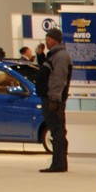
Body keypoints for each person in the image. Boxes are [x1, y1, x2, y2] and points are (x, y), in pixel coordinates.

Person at [39, 27, 72, 173]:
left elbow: (58, 79)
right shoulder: (53, 55)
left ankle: (59, 164)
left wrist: (54, 98)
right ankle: (58, 163)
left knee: (57, 131)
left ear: (56, 40)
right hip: (51, 98)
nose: (46, 42)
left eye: (49, 39)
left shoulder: (61, 56)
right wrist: (40, 56)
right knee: (56, 131)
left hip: (53, 99)